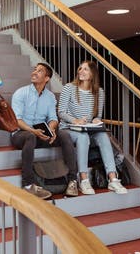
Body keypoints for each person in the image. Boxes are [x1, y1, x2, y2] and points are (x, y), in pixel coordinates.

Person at [58, 60, 128, 195]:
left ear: (93, 74)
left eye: (85, 69)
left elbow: (97, 116)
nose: (81, 71)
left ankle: (113, 179)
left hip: (88, 128)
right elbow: (61, 112)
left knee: (103, 135)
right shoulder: (69, 88)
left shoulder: (99, 92)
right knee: (83, 137)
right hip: (69, 128)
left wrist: (96, 120)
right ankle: (83, 180)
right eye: (80, 68)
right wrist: (75, 120)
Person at [11, 63, 78, 199]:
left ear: (47, 78)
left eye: (39, 71)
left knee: (64, 135)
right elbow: (17, 120)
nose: (34, 72)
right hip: (22, 134)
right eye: (35, 69)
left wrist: (52, 129)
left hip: (41, 135)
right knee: (30, 136)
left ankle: (73, 180)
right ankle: (28, 185)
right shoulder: (21, 93)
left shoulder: (50, 97)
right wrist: (33, 131)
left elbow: (53, 118)